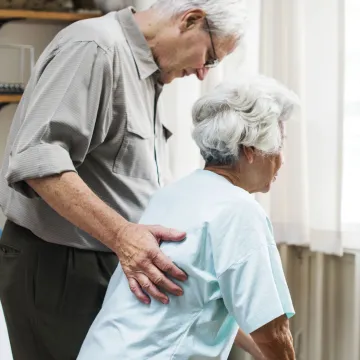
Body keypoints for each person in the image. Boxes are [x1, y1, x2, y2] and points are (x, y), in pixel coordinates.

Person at [0, 1, 248, 359]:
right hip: (61, 265)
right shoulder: (95, 48)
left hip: (110, 258)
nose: (202, 73)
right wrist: (123, 236)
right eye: (209, 58)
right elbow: (37, 157)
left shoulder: (147, 73)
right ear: (191, 19)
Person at [77, 75, 298, 360]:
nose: (281, 158)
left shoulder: (173, 195)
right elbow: (273, 333)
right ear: (251, 150)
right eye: (279, 144)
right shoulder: (239, 209)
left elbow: (202, 300)